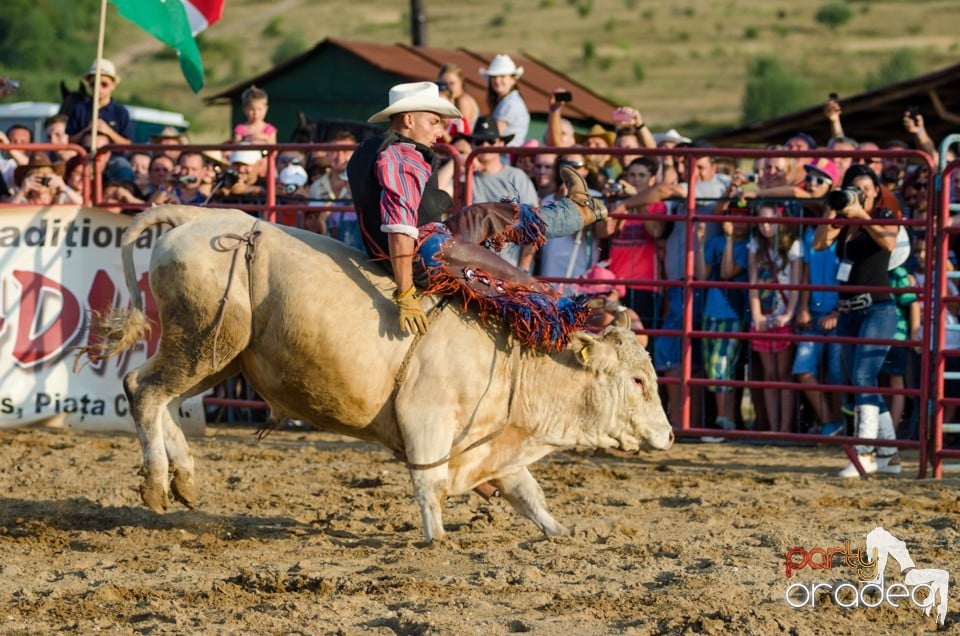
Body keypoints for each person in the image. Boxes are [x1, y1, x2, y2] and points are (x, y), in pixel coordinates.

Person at [346, 81, 605, 349]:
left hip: (425, 243)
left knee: (483, 213)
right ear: (409, 119)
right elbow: (400, 228)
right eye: (434, 122)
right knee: (514, 278)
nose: (440, 131)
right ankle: (571, 334)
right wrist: (406, 293)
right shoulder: (403, 157)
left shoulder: (377, 148)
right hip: (424, 255)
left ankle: (576, 211)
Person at [814, 164, 901, 477]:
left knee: (864, 375)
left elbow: (889, 244)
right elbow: (819, 243)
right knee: (861, 381)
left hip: (879, 309)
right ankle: (890, 455)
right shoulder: (843, 222)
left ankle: (865, 453)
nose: (860, 194)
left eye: (866, 189)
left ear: (876, 192)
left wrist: (861, 215)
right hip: (849, 312)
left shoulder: (884, 217)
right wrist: (833, 208)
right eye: (855, 188)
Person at [748, 202, 801, 434]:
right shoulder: (756, 246)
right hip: (764, 316)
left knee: (784, 374)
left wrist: (789, 313)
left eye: (770, 220)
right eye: (761, 221)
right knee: (769, 375)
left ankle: (785, 427)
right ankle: (772, 426)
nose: (766, 226)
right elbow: (753, 284)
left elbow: (797, 283)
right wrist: (757, 313)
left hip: (783, 316)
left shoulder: (793, 246)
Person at [695, 210, 750, 437]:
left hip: (733, 313)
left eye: (742, 218)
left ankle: (724, 420)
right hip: (712, 311)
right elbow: (701, 275)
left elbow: (727, 271)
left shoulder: (748, 246)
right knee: (713, 368)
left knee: (721, 367)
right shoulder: (715, 242)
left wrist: (728, 239)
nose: (736, 223)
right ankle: (724, 418)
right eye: (732, 218)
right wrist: (699, 243)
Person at [308, 130, 361, 250]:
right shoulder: (316, 186)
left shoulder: (363, 185)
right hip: (318, 250)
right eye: (334, 151)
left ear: (355, 153)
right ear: (327, 154)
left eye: (345, 151)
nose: (339, 157)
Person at [66, 59, 132, 147]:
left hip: (114, 158)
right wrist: (87, 130)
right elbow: (69, 140)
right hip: (83, 156)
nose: (98, 88)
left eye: (104, 84)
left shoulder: (121, 112)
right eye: (94, 84)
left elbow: (127, 144)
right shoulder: (79, 109)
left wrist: (108, 131)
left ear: (113, 85)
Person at [577, 265, 647, 347]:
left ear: (617, 293)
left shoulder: (626, 311)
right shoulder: (579, 316)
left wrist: (617, 310)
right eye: (592, 294)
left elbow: (642, 342)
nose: (601, 298)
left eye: (606, 293)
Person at [480, 54, 529, 146]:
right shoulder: (507, 101)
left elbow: (493, 136)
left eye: (502, 76)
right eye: (494, 77)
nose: (497, 80)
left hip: (506, 155)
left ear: (512, 80)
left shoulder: (510, 104)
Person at [8, 152, 82, 205]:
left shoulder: (60, 198)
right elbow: (6, 212)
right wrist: (22, 191)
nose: (41, 182)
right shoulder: (22, 200)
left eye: (45, 178)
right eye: (36, 178)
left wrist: (63, 186)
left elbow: (81, 203)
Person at [438, 64, 479, 133]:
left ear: (461, 81)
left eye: (452, 83)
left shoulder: (463, 101)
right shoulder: (456, 100)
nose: (448, 88)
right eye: (444, 84)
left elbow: (460, 133)